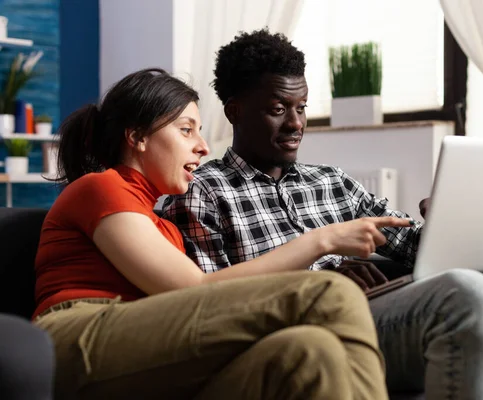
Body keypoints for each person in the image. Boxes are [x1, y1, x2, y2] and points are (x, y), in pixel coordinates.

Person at [163, 29, 483, 400]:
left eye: (301, 107)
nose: (296, 123)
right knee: (467, 292)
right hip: (331, 325)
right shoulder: (203, 192)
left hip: (394, 301)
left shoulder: (332, 181)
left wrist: (449, 222)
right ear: (235, 111)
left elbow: (412, 244)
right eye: (278, 109)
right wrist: (319, 281)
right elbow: (213, 308)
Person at [33, 68, 400, 400]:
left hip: (146, 357)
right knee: (330, 293)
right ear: (138, 137)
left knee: (309, 351)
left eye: (200, 131)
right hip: (76, 337)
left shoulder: (162, 226)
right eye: (186, 129)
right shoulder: (101, 187)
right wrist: (323, 240)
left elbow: (208, 291)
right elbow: (193, 290)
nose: (203, 147)